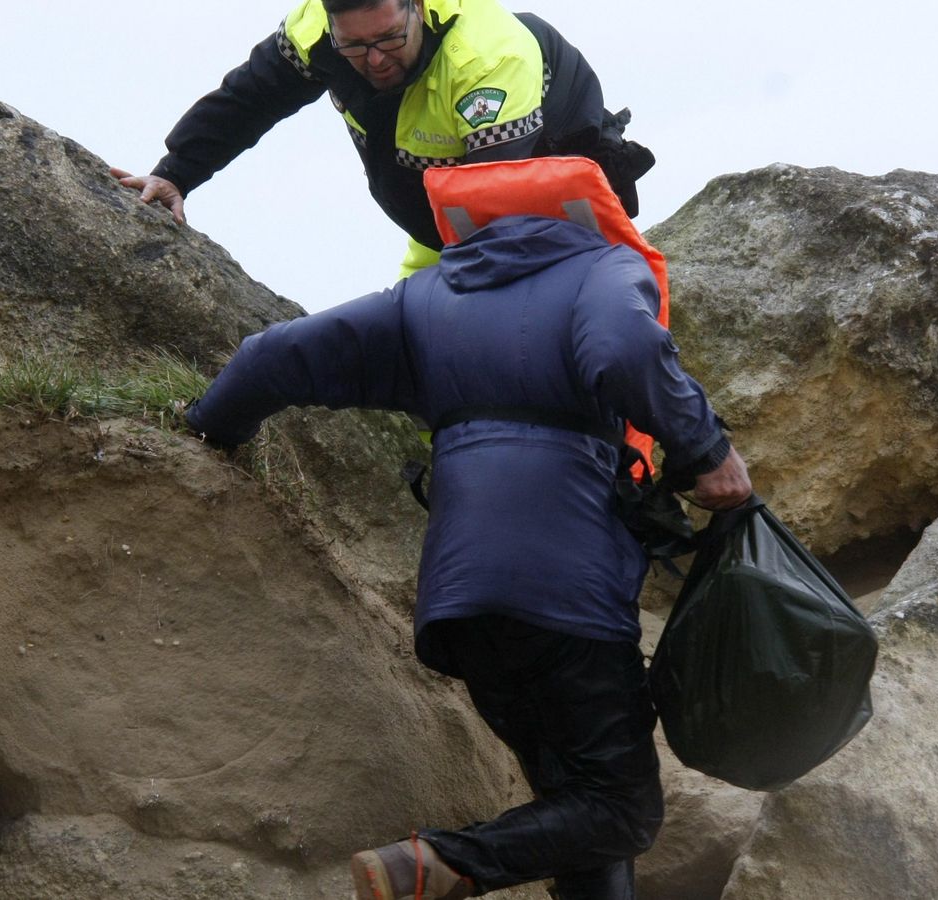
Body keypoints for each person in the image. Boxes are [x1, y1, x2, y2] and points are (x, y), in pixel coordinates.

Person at [183, 172, 751, 898]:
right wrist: (705, 450)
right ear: (589, 212)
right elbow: (623, 345)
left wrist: (207, 429)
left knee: (578, 804)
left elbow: (271, 356)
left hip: (461, 605)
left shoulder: (426, 298)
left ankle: (448, 865)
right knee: (622, 809)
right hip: (567, 590)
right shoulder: (604, 267)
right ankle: (432, 865)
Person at [113, 0, 652, 276]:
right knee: (424, 350)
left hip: (545, 164)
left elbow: (499, 209)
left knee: (516, 313)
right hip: (435, 198)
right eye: (354, 46)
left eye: (389, 39)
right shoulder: (314, 30)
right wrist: (175, 173)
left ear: (417, 6)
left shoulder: (488, 60)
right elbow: (248, 100)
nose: (374, 59)